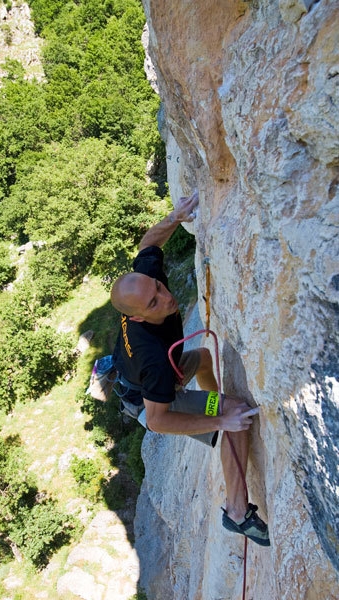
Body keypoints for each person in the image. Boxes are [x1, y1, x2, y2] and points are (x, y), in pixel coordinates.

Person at [110, 193, 270, 547]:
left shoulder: (144, 281)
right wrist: (219, 420)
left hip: (165, 370)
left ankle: (213, 403)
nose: (166, 298)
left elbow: (148, 243)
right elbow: (157, 421)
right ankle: (237, 513)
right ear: (135, 316)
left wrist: (175, 217)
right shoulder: (151, 359)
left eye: (159, 288)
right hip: (150, 398)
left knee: (200, 358)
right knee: (234, 412)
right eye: (154, 302)